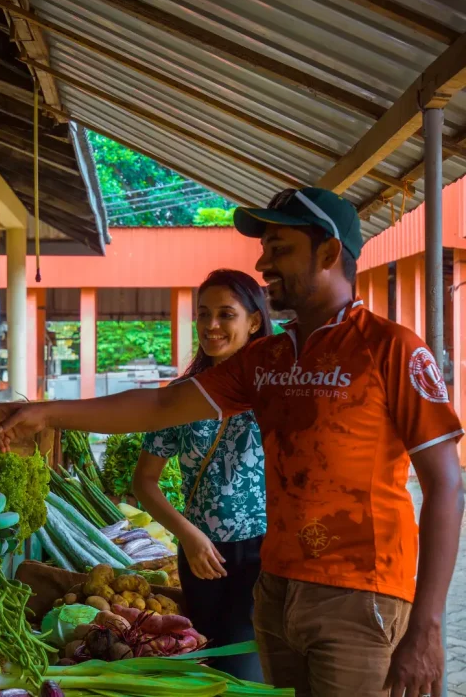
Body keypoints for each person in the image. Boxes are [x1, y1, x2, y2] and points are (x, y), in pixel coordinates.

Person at [0, 187, 465, 697]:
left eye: (280, 248)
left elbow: (446, 488)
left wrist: (426, 625)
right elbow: (160, 406)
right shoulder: (265, 358)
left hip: (360, 595)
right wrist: (42, 412)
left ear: (330, 253)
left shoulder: (392, 350)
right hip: (274, 590)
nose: (263, 261)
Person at [134, 269, 270, 680]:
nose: (212, 326)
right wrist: (189, 535)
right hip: (201, 557)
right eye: (204, 314)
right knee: (208, 667)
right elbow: (144, 481)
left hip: (267, 553)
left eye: (226, 314)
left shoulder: (277, 392)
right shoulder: (182, 396)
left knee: (246, 669)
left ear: (254, 321)